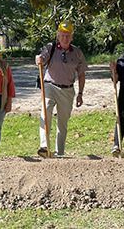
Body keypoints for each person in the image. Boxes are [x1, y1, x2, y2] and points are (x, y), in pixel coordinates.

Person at [35, 21, 88, 157]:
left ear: (72, 37)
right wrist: (39, 60)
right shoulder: (50, 48)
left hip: (67, 90)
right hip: (50, 86)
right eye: (62, 35)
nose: (65, 38)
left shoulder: (77, 52)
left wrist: (80, 93)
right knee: (45, 112)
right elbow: (41, 60)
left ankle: (60, 153)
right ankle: (44, 146)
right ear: (58, 35)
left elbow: (81, 74)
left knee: (62, 123)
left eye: (68, 35)